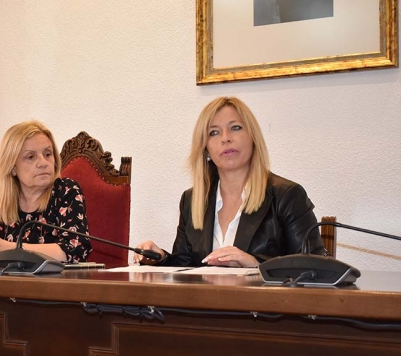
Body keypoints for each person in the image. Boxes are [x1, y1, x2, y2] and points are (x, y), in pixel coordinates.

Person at [134, 96, 325, 267]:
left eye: (235, 128)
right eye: (214, 133)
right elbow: (185, 266)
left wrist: (254, 264)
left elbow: (313, 269)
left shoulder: (287, 195)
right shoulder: (192, 200)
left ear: (253, 138)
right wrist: (160, 258)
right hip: (204, 305)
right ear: (206, 149)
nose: (226, 139)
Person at [0, 120, 92, 263]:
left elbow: (76, 248)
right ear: (13, 166)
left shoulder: (65, 190)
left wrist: (8, 249)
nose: (43, 163)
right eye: (31, 157)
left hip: (52, 287)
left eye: (48, 154)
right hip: (3, 286)